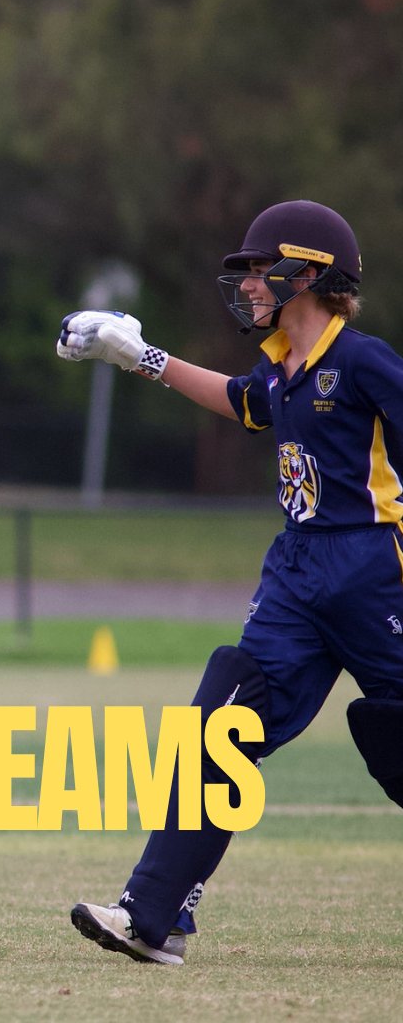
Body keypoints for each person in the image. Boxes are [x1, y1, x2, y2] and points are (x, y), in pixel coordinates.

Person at [56, 200, 403, 965]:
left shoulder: (365, 360)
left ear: (308, 274)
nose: (248, 285)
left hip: (375, 573)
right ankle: (154, 918)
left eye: (259, 270)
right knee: (220, 720)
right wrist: (140, 358)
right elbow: (243, 403)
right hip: (296, 574)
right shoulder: (280, 367)